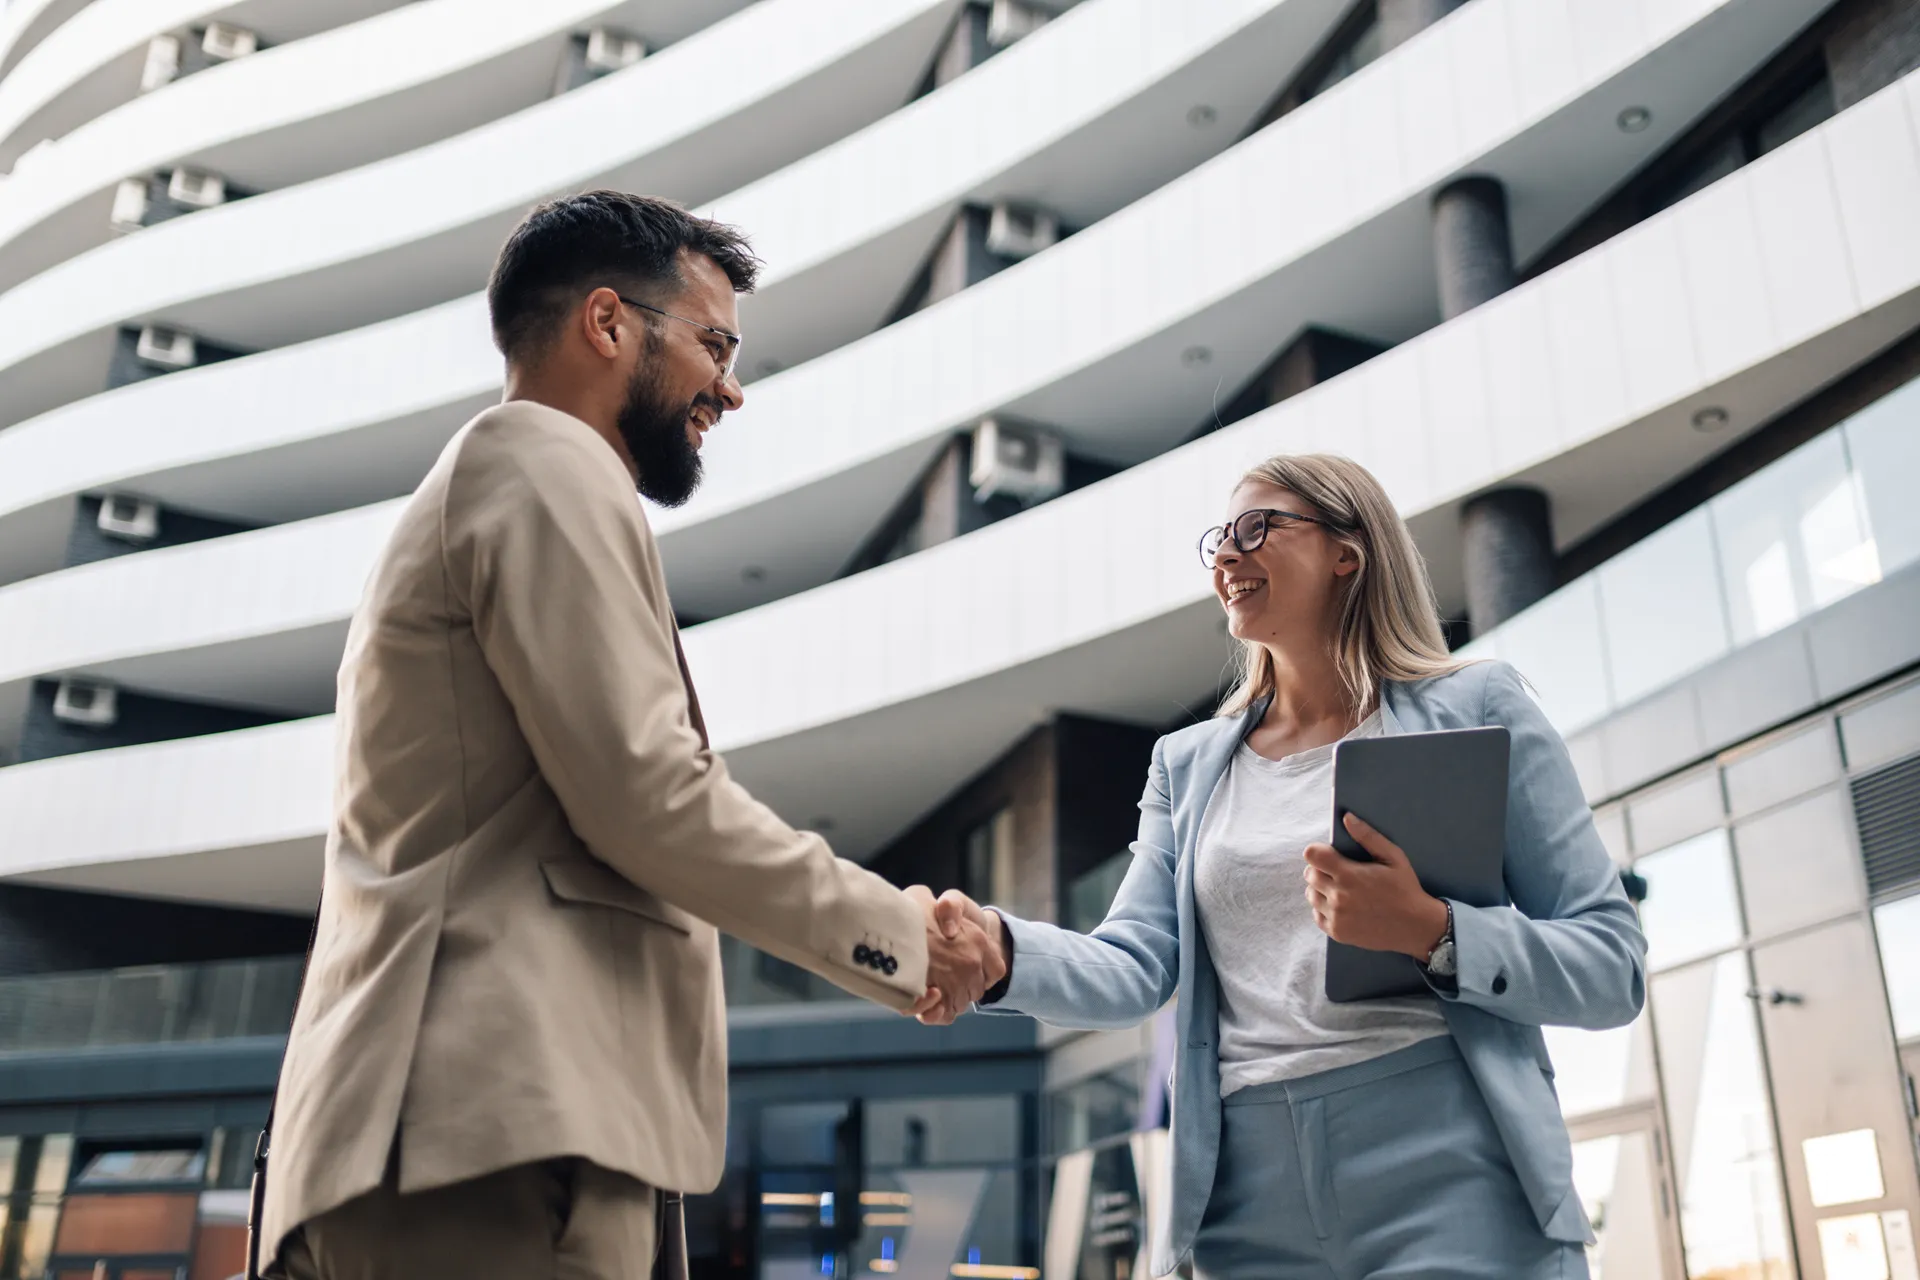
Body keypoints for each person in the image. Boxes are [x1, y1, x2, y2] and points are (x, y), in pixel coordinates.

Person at [258, 192, 1004, 1280]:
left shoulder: (493, 479)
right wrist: (900, 932)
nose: (731, 388)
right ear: (607, 324)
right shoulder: (542, 458)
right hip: (494, 1138)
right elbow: (647, 791)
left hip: (462, 1136)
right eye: (713, 344)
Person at [923, 453, 1646, 1279]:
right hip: (1243, 1191)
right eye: (1218, 541)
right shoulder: (1186, 765)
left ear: (1350, 549)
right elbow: (1135, 963)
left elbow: (1611, 965)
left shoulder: (1476, 709)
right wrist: (1004, 954)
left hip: (1450, 1165)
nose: (1226, 556)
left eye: (1257, 529)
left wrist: (1434, 933)